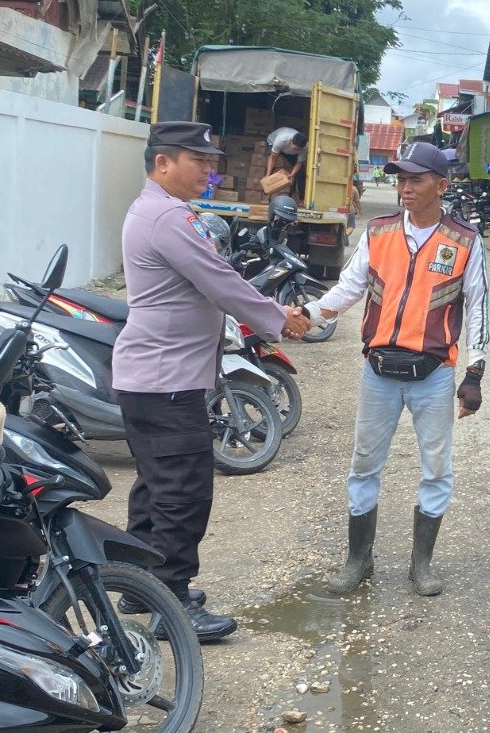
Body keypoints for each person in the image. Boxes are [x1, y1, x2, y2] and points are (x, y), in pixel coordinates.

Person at [113, 121, 313, 640]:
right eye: (198, 161)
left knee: (156, 485)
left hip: (156, 377)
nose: (209, 170)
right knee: (183, 491)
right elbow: (220, 281)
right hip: (164, 379)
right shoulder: (166, 217)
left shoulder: (160, 211)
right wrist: (277, 317)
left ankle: (142, 584)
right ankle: (172, 604)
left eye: (210, 161)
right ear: (163, 163)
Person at [313, 141, 489, 597]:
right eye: (400, 179)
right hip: (379, 373)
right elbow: (348, 289)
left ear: (441, 185)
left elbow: (478, 308)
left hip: (432, 377)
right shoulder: (379, 232)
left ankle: (421, 563)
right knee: (364, 464)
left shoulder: (465, 240)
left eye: (415, 179)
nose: (405, 187)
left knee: (436, 468)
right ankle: (358, 560)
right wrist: (308, 314)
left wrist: (474, 373)